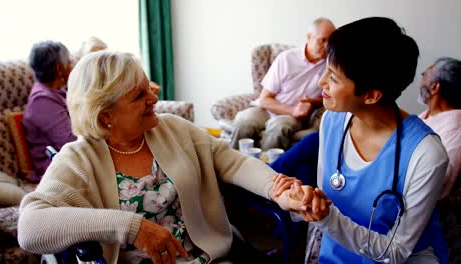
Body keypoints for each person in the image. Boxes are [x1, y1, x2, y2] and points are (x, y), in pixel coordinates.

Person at [18, 51, 301, 264]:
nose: (153, 98)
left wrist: (279, 188)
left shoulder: (173, 128)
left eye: (147, 87)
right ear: (106, 116)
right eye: (139, 95)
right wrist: (130, 227)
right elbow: (29, 227)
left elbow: (233, 161)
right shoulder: (79, 159)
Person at [274, 17, 450, 263]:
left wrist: (326, 218)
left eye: (333, 78)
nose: (320, 82)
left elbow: (396, 251)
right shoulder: (332, 121)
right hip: (335, 255)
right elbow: (326, 200)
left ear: (370, 95)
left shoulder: (427, 154)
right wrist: (305, 201)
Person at [231, 17, 335, 150]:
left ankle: (266, 169)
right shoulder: (286, 58)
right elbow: (264, 99)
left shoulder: (331, 64)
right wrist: (293, 110)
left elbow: (333, 96)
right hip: (267, 109)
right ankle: (230, 163)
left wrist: (313, 102)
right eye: (322, 40)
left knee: (278, 128)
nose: (327, 46)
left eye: (330, 41)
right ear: (309, 37)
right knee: (243, 121)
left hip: (293, 118)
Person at [22, 40, 76, 182]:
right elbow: (70, 142)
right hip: (56, 170)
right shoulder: (43, 101)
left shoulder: (57, 91)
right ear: (59, 69)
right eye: (69, 62)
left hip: (71, 161)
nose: (72, 66)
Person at [417, 57, 461, 199]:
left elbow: (439, 186)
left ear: (435, 87)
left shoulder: (456, 130)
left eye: (424, 75)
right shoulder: (423, 117)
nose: (420, 81)